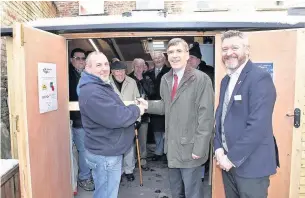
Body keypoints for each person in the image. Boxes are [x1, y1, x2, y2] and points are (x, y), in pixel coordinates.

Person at [137, 38, 214, 198]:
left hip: (191, 148)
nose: (175, 55)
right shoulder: (167, 79)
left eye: (179, 51)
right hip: (172, 147)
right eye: (171, 52)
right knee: (176, 192)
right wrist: (148, 105)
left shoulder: (201, 79)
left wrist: (200, 148)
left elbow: (206, 116)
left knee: (193, 194)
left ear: (187, 55)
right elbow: (167, 106)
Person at [214, 30, 279, 198]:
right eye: (225, 49)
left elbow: (258, 126)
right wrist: (218, 148)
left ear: (247, 50)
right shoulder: (225, 80)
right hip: (228, 163)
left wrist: (231, 158)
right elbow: (220, 117)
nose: (229, 53)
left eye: (235, 47)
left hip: (251, 166)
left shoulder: (259, 78)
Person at [77, 52, 145, 198]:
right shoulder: (93, 91)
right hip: (105, 153)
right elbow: (118, 116)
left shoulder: (98, 85)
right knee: (107, 194)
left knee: (105, 191)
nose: (104, 68)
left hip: (105, 149)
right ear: (87, 67)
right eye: (98, 65)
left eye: (106, 64)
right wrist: (137, 109)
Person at [109, 61, 140, 181]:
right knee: (115, 147)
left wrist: (138, 118)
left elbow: (137, 99)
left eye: (122, 71)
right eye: (117, 71)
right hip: (113, 120)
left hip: (128, 118)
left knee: (129, 146)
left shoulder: (131, 82)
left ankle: (129, 170)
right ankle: (118, 171)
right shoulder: (106, 83)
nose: (120, 73)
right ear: (112, 72)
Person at [68, 48, 94, 191]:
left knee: (86, 149)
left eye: (83, 58)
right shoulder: (67, 75)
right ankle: (84, 177)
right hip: (76, 119)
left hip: (87, 119)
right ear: (71, 60)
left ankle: (85, 175)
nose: (81, 61)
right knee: (83, 150)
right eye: (77, 58)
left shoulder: (87, 75)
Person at [129, 58, 155, 171]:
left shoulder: (147, 78)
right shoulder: (128, 78)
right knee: (130, 139)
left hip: (144, 114)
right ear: (133, 66)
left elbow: (152, 93)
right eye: (137, 66)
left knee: (142, 139)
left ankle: (142, 159)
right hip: (130, 113)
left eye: (142, 66)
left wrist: (142, 80)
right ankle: (131, 160)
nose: (139, 68)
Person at [144, 51, 170, 161]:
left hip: (167, 104)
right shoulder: (148, 73)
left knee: (167, 131)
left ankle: (167, 153)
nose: (158, 59)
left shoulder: (170, 71)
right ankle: (158, 152)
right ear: (153, 61)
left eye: (160, 57)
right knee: (156, 131)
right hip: (153, 106)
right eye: (155, 58)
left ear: (164, 59)